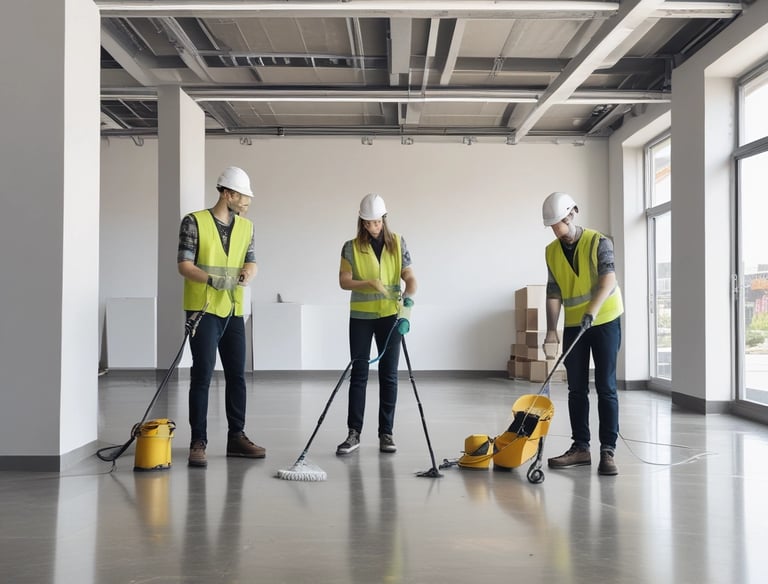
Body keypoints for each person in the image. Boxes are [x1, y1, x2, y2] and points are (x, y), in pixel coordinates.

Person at [177, 166, 266, 467]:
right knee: (202, 375)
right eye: (243, 196)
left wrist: (247, 274)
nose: (247, 202)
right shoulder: (194, 222)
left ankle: (236, 437)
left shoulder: (247, 227)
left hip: (232, 309)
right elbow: (184, 265)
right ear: (227, 194)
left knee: (236, 376)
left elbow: (251, 262)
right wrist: (210, 279)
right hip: (203, 310)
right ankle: (197, 441)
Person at [541, 192, 623, 476]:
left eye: (559, 224)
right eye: (552, 226)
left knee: (605, 385)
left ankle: (608, 451)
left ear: (571, 215)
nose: (556, 230)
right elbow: (554, 293)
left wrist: (593, 311)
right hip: (575, 324)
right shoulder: (551, 251)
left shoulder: (600, 242)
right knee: (576, 387)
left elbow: (608, 280)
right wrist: (551, 330)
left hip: (605, 319)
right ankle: (581, 448)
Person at [336, 193, 418, 455]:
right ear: (361, 221)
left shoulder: (398, 243)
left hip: (390, 317)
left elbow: (410, 277)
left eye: (376, 222)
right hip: (360, 318)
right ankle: (353, 434)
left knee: (389, 374)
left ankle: (386, 433)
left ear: (384, 218)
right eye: (367, 223)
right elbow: (344, 281)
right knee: (359, 374)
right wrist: (368, 283)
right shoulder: (350, 247)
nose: (372, 227)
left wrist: (409, 295)